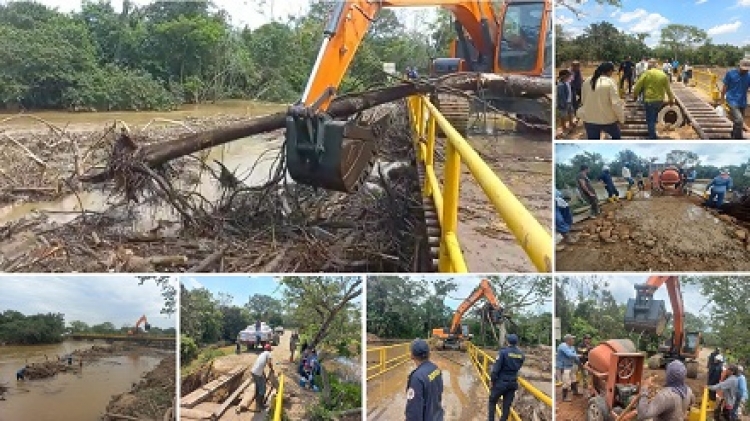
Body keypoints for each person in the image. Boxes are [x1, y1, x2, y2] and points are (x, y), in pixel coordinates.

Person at [578, 62, 624, 139]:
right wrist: (621, 119)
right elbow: (615, 103)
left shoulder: (587, 81)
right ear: (609, 71)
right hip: (608, 120)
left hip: (589, 119)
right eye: (612, 71)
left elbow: (583, 100)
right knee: (617, 138)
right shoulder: (610, 82)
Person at [633, 59, 675, 140]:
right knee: (654, 117)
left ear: (649, 66)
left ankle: (652, 136)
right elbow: (668, 89)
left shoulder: (646, 74)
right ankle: (653, 132)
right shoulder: (663, 75)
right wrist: (671, 100)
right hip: (659, 101)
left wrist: (635, 95)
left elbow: (638, 86)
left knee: (650, 119)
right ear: (656, 65)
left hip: (649, 100)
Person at [405, 339, 444, 421]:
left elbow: (414, 413)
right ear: (428, 353)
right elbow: (439, 394)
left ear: (412, 355)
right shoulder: (435, 369)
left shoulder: (417, 378)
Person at [488, 334, 525, 421]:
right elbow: (519, 366)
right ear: (516, 342)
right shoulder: (521, 354)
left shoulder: (503, 352)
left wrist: (492, 380)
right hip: (512, 383)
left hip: (501, 383)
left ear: (507, 341)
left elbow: (496, 369)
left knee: (492, 401)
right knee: (506, 406)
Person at [721, 59, 750, 139]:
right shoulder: (730, 74)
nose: (745, 71)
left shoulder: (749, 75)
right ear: (739, 66)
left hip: (742, 102)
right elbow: (724, 87)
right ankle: (738, 138)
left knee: (737, 122)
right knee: (739, 120)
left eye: (746, 70)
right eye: (743, 69)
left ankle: (733, 135)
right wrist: (722, 100)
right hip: (732, 100)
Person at [556, 334, 580, 402]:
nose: (573, 340)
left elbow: (575, 357)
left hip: (570, 365)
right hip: (564, 366)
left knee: (574, 379)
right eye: (572, 339)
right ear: (568, 340)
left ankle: (575, 392)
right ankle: (564, 397)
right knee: (566, 382)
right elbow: (569, 354)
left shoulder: (572, 347)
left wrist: (580, 362)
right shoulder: (563, 346)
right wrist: (579, 355)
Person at [250, 344, 274, 412]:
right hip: (257, 373)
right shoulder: (268, 354)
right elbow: (269, 363)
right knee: (263, 389)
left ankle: (257, 401)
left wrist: (264, 375)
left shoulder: (262, 354)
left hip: (253, 372)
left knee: (258, 387)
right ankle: (260, 405)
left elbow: (260, 365)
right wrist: (272, 369)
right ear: (269, 349)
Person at [556, 69, 575, 135]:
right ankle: (564, 127)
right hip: (564, 103)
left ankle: (571, 123)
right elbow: (561, 97)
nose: (570, 76)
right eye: (568, 75)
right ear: (564, 76)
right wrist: (563, 104)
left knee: (570, 113)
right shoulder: (561, 85)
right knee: (563, 116)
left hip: (569, 101)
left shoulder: (567, 82)